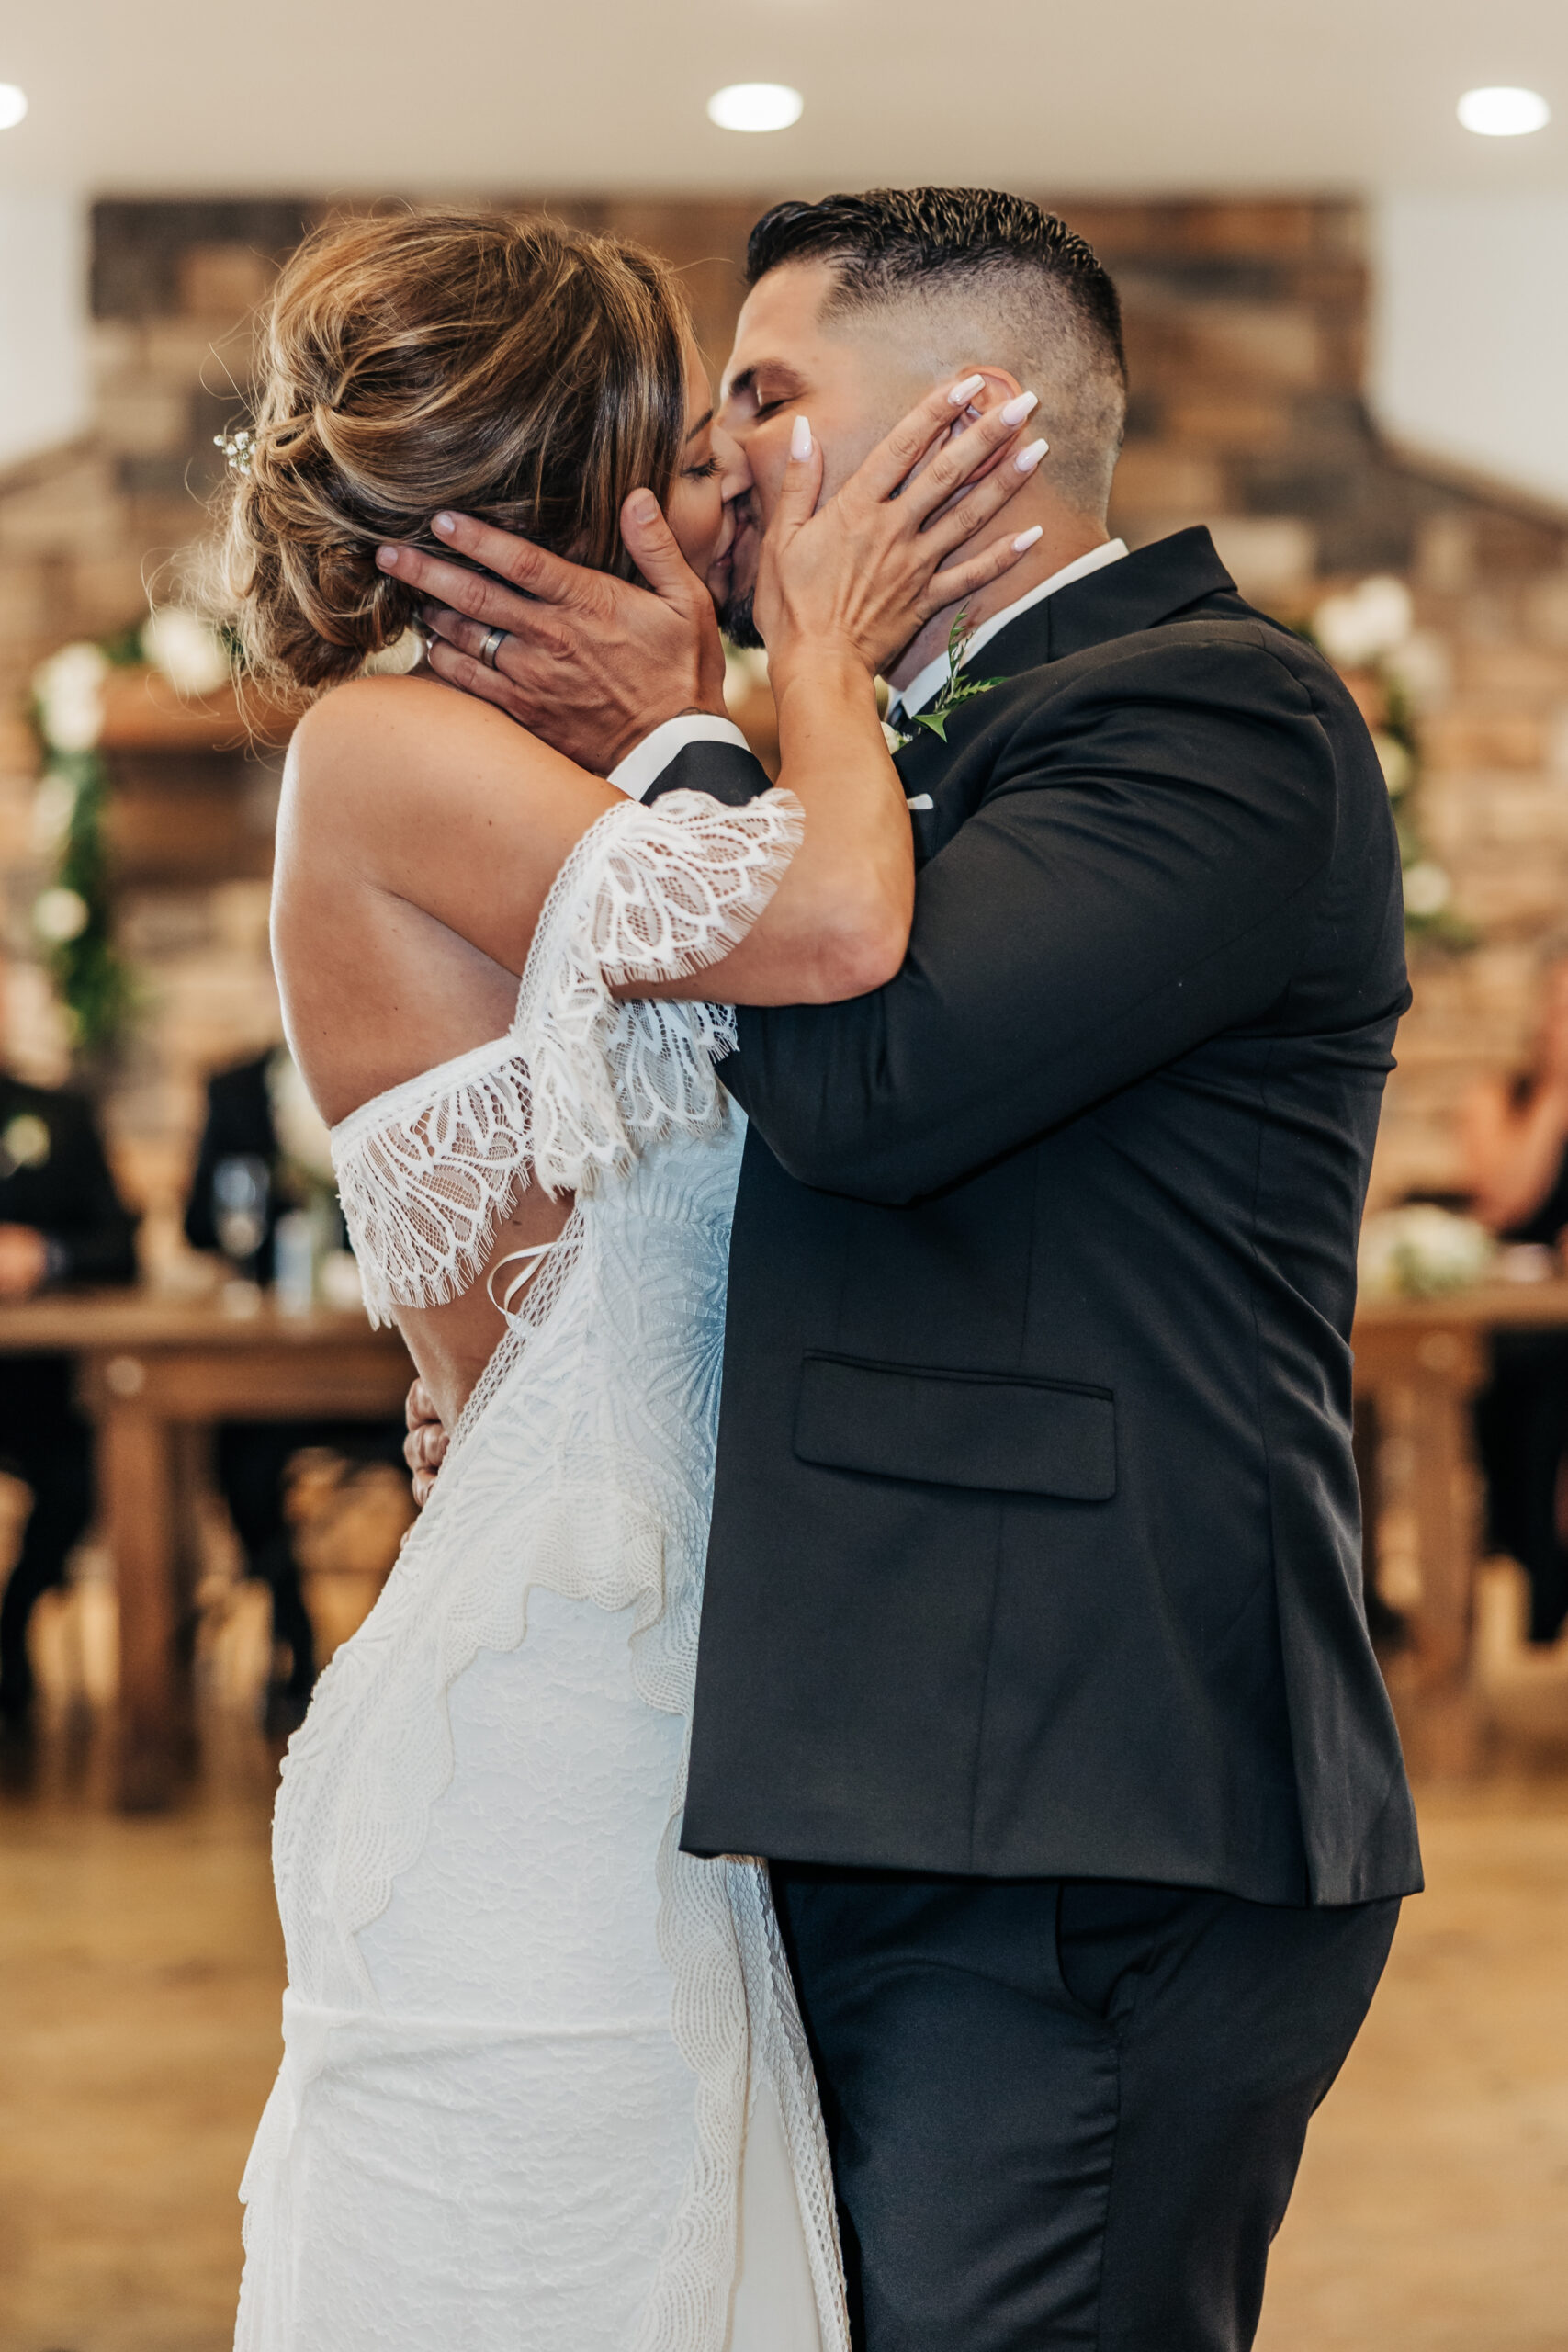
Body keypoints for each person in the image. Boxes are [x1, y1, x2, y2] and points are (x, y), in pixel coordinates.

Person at [395, 187, 1424, 2352]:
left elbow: (869, 1077)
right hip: (889, 1777)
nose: (702, 468)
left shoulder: (1207, 716)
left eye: (761, 401)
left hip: (1078, 1807)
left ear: (970, 430)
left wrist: (713, 725)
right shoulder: (876, 753)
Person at [217, 206, 1041, 2351]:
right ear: (554, 482)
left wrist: (710, 712)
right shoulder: (374, 753)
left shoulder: (568, 787)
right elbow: (843, 927)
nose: (711, 497)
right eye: (673, 449)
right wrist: (817, 663)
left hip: (672, 1712)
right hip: (544, 1740)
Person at [184, 1045, 405, 1728]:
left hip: (387, 1363)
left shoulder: (389, 1058)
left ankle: (396, 1650)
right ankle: (293, 1631)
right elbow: (199, 1225)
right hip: (274, 1363)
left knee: (440, 1449)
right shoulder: (236, 1086)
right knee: (236, 1453)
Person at [0, 1007, 139, 1728]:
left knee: (88, 1474)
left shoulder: (61, 1114)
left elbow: (122, 1245)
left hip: (37, 1388)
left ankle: (13, 1621)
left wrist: (44, 1255)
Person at [1461, 952, 1568, 1643]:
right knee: (1526, 1388)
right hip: (1514, 1329)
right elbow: (1503, 1200)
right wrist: (1556, 1098)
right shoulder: (1496, 1098)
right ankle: (1534, 1573)